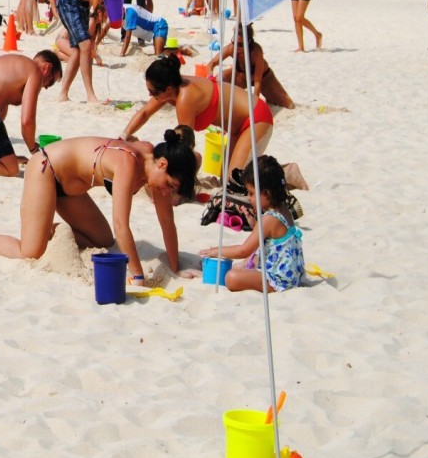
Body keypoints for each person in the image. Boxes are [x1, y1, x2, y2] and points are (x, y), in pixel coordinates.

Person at [0, 130, 199, 286]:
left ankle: (51, 228)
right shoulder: (129, 162)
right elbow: (121, 224)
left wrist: (175, 267)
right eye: (169, 185)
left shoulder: (159, 169)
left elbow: (167, 222)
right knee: (31, 252)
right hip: (46, 169)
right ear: (162, 164)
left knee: (102, 240)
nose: (167, 192)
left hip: (71, 190)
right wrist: (137, 275)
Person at [121, 56, 275, 173]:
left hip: (256, 118)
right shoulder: (171, 86)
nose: (150, 95)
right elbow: (144, 113)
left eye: (153, 92)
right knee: (227, 179)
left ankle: (285, 173)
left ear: (167, 89)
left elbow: (184, 146)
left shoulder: (185, 97)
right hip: (236, 127)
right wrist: (123, 136)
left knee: (233, 181)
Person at [200, 155, 304, 293]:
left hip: (278, 281)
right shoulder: (284, 210)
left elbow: (244, 250)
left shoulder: (270, 218)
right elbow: (274, 239)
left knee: (231, 277)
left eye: (251, 193)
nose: (249, 198)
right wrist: (256, 225)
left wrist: (217, 250)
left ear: (267, 193)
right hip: (290, 274)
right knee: (248, 261)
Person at [207, 24, 294, 109]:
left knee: (289, 105)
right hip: (242, 77)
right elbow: (211, 63)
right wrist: (210, 76)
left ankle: (269, 98)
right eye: (235, 42)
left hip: (264, 78)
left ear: (248, 42)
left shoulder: (256, 51)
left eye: (241, 45)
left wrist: (254, 104)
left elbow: (257, 82)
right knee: (220, 77)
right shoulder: (232, 48)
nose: (237, 47)